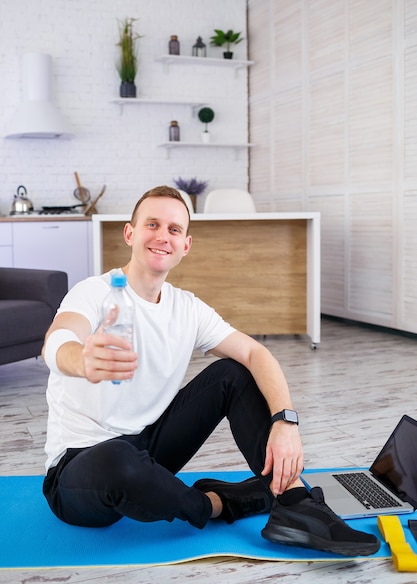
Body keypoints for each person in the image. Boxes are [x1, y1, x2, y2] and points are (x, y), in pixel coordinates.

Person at [41, 185, 380, 557]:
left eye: (173, 229)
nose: (162, 236)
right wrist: (81, 359)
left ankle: (296, 504)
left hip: (148, 448)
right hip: (79, 467)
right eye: (152, 224)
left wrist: (286, 423)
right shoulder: (93, 292)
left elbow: (255, 353)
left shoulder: (187, 307)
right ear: (130, 233)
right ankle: (222, 504)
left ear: (185, 245)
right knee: (118, 458)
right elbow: (57, 341)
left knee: (232, 373)